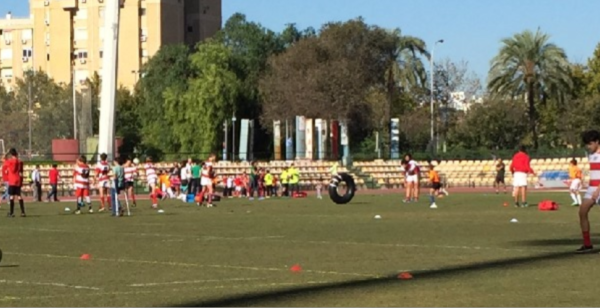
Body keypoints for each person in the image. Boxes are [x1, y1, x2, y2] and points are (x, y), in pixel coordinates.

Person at [577, 130, 600, 253]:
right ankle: (587, 244)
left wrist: (598, 189)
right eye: (587, 144)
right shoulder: (590, 155)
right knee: (582, 212)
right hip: (592, 188)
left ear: (597, 142)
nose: (588, 146)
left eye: (590, 144)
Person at [5, 148, 25, 217]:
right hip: (18, 180)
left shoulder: (9, 161)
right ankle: (23, 212)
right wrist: (21, 181)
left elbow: (4, 160)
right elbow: (21, 172)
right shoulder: (19, 162)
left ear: (11, 154)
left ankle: (11, 212)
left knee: (11, 196)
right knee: (19, 196)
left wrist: (7, 154)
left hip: (12, 181)